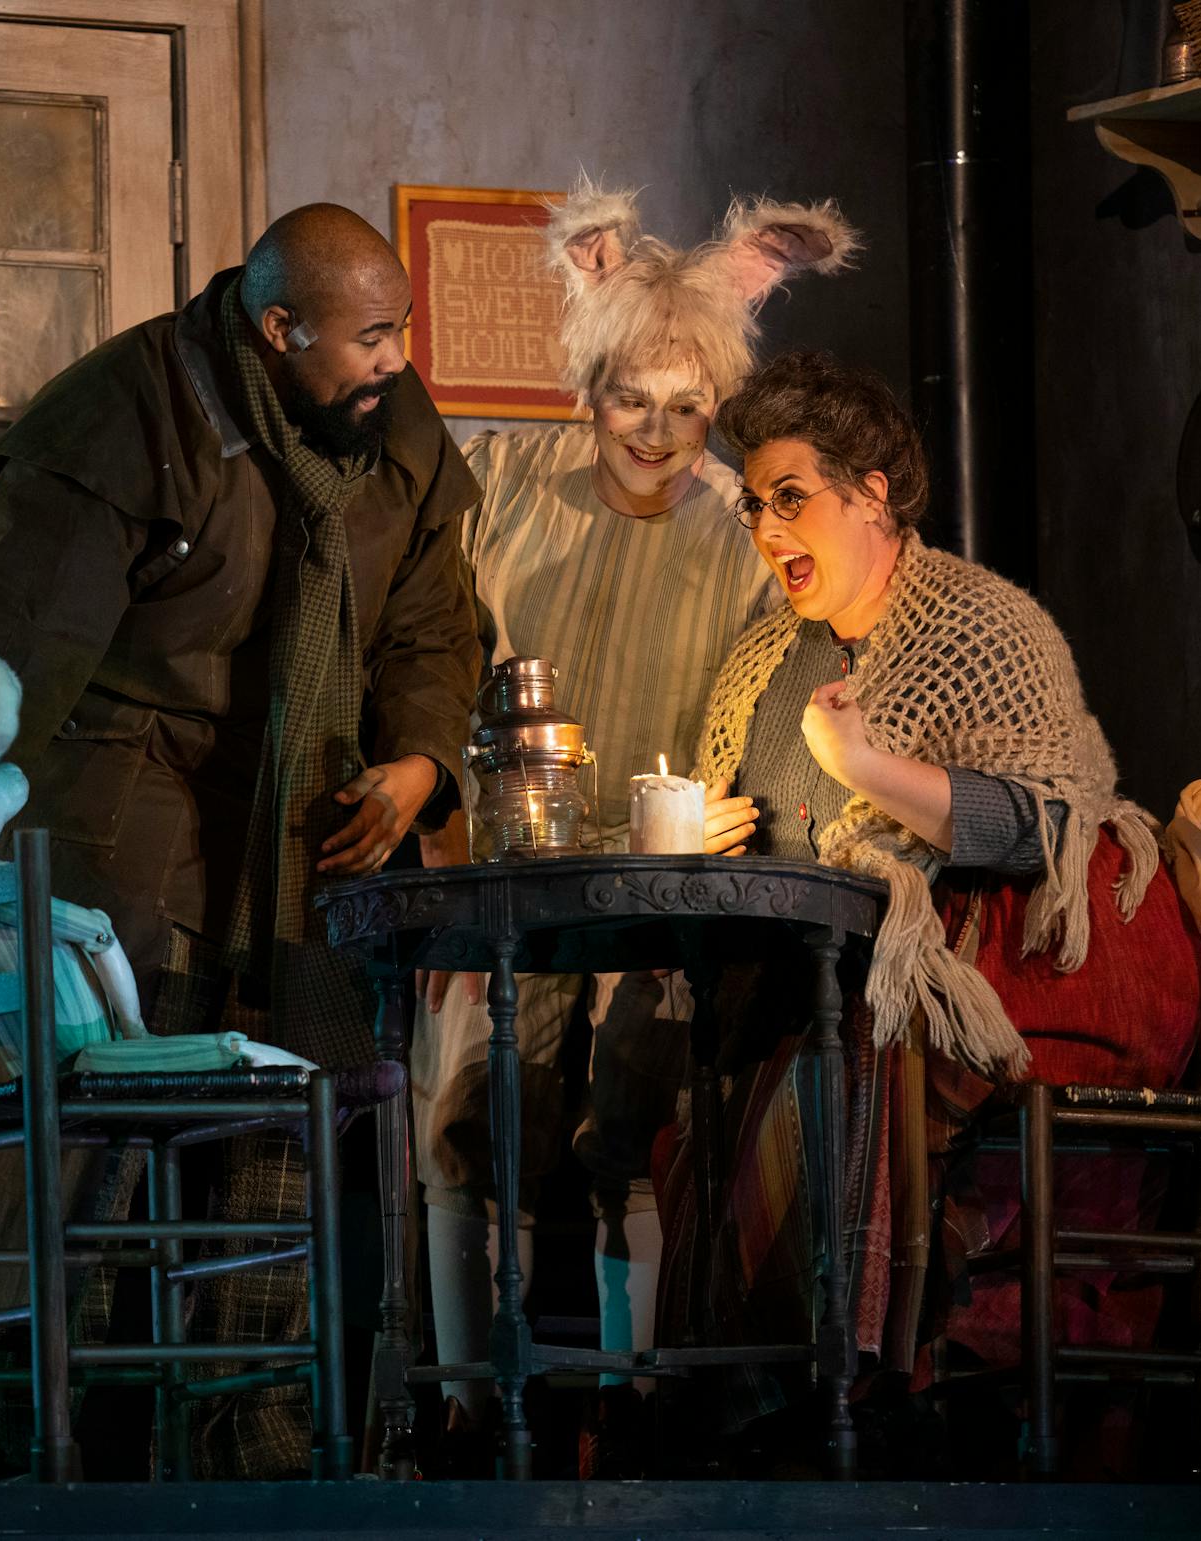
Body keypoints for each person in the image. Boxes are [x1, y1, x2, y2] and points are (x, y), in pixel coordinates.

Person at [0, 203, 484, 1478]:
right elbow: (15, 629)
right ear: (280, 329)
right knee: (91, 1186)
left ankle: (251, 1453)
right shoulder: (136, 408)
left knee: (271, 1171)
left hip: (302, 851)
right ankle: (34, 1466)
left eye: (401, 332)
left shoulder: (393, 428)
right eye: (369, 337)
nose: (395, 362)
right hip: (125, 846)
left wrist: (421, 763)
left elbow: (435, 621)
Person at [669, 351, 1201, 1471]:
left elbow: (1046, 827)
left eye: (790, 496)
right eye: (754, 506)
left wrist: (864, 765)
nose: (767, 530)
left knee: (845, 1066)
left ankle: (843, 1394)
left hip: (1009, 971)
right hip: (821, 982)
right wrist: (704, 838)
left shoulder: (981, 626)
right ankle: (763, 1411)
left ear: (872, 494)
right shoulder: (762, 661)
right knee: (711, 1098)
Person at [409, 182, 857, 1477]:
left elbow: (783, 694)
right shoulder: (506, 488)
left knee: (636, 1124)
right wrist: (442, 839)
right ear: (588, 388)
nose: (656, 433)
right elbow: (429, 649)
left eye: (687, 407)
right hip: (510, 874)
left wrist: (742, 809)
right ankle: (468, 1408)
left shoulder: (739, 533)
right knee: (472, 1116)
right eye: (630, 400)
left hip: (663, 887)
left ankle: (628, 1400)